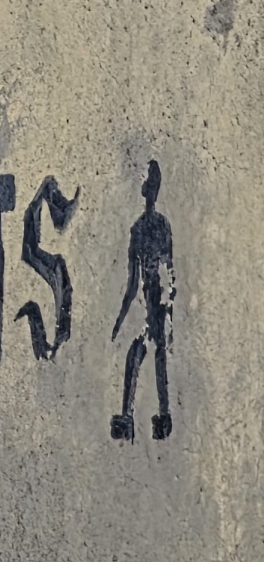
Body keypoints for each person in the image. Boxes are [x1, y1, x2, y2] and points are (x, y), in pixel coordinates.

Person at [113, 159, 176, 442]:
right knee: (149, 352)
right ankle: (150, 418)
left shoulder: (145, 227)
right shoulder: (154, 226)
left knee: (142, 353)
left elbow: (136, 280)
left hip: (154, 297)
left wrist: (124, 315)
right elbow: (163, 271)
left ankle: (131, 418)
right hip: (157, 296)